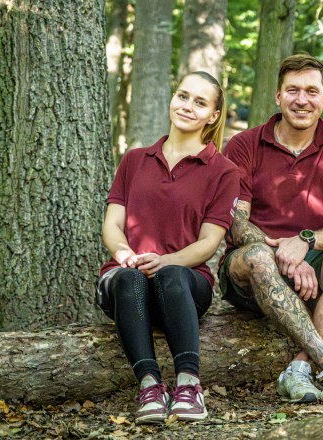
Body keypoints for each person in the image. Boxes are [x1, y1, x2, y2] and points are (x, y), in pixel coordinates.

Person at [219, 54, 323, 405]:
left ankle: (299, 366)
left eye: (311, 91)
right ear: (277, 96)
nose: (301, 99)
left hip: (313, 266)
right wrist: (283, 255)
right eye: (292, 90)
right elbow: (235, 220)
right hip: (250, 268)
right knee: (258, 255)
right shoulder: (244, 145)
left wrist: (305, 242)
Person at [97, 71, 240, 424]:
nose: (187, 106)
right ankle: (149, 386)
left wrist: (164, 261)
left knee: (173, 274)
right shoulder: (135, 159)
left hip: (186, 286)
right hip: (127, 283)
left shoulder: (223, 171)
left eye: (200, 102)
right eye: (182, 96)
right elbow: (113, 224)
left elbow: (209, 242)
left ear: (214, 116)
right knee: (128, 278)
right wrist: (124, 254)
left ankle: (189, 385)